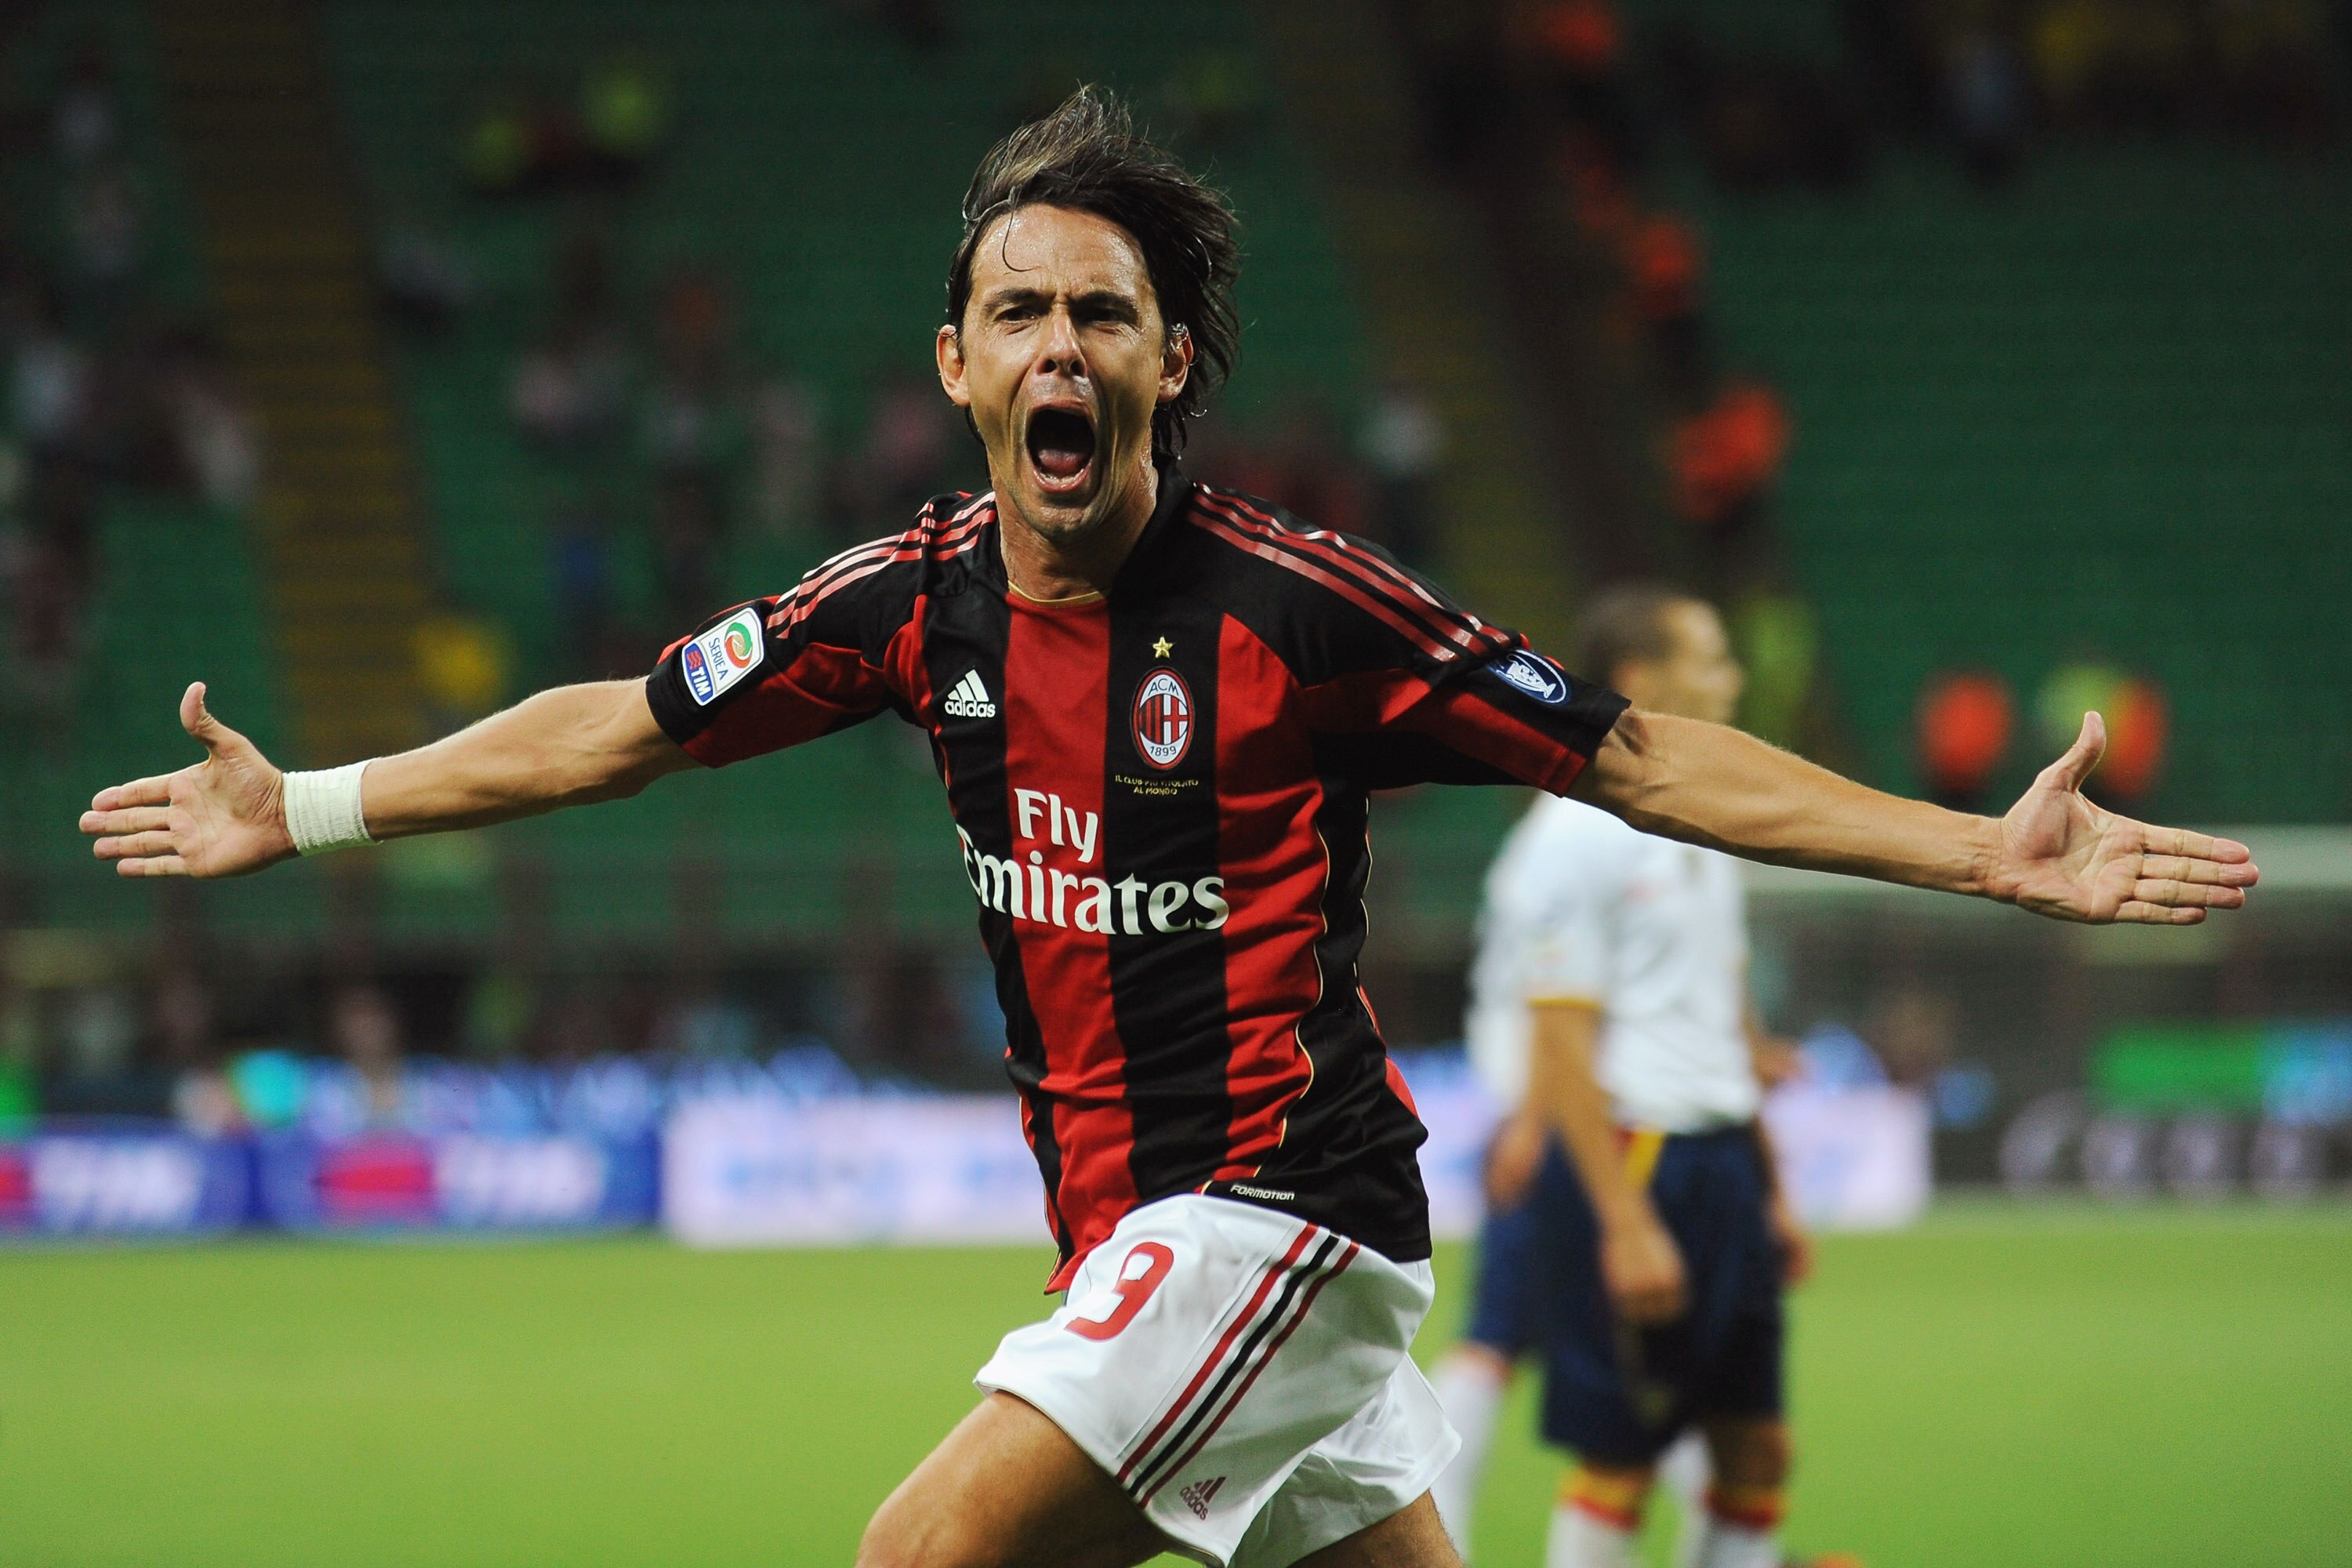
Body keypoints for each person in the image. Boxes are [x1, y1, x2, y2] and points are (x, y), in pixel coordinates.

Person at [78, 89, 2255, 1568]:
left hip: (1277, 1221)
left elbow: (1637, 753)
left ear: (1170, 361)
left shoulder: (1310, 613)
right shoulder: (902, 600)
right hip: (1139, 1240)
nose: (1058, 343)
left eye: (1099, 312)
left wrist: (1981, 848)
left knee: (919, 1554)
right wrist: (322, 805)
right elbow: (624, 728)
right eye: (1018, 308)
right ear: (956, 363)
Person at [1428, 586, 1831, 1568]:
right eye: (1713, 656)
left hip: (1721, 1157)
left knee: (1754, 1443)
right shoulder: (1570, 836)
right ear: (1646, 681)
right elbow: (1559, 1040)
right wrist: (1622, 1217)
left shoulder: (1703, 821)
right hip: (1639, 1156)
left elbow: (1718, 1004)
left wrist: (1769, 1184)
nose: (1731, 677)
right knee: (1621, 1456)